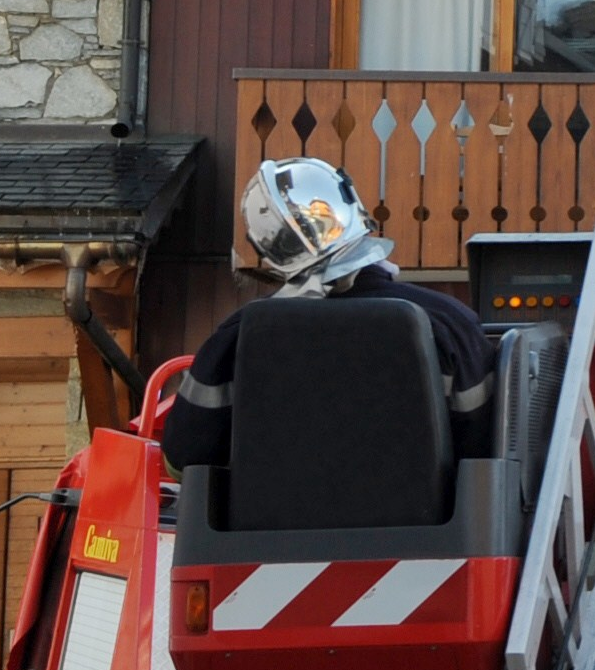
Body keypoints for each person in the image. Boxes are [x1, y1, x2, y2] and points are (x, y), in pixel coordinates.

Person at [163, 158, 497, 471]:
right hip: (434, 534)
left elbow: (183, 459)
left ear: (268, 249)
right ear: (352, 208)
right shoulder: (449, 322)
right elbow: (484, 454)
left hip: (268, 533)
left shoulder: (238, 335)